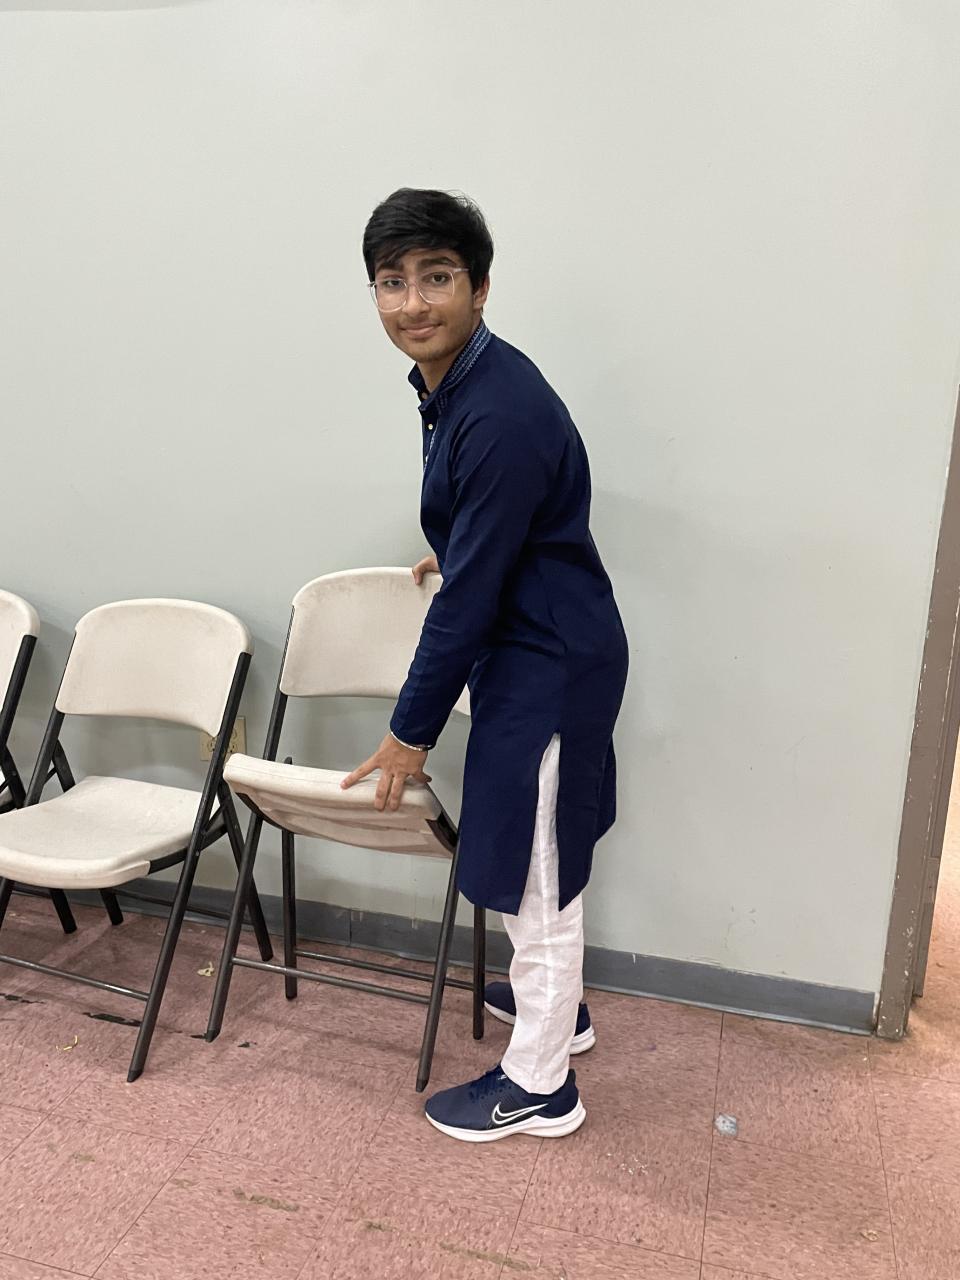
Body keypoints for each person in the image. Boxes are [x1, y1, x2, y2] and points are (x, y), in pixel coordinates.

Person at [342, 188, 628, 1143]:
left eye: (436, 277)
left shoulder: (496, 409)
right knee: (529, 844)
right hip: (537, 644)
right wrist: (466, 543)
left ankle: (541, 1086)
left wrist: (408, 733)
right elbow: (500, 528)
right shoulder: (460, 383)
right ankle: (560, 1011)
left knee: (536, 865)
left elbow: (467, 606)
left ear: (480, 286)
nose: (412, 303)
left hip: (549, 664)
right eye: (392, 282)